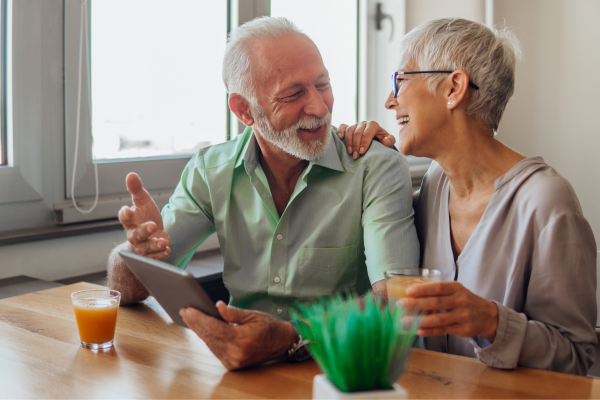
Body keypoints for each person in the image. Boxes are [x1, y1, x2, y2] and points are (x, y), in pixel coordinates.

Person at [106, 16, 418, 370]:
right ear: (244, 110)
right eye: (294, 94)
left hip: (342, 368)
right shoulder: (210, 171)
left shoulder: (374, 167)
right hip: (242, 371)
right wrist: (136, 252)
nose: (319, 107)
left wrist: (290, 339)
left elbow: (396, 299)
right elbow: (130, 291)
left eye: (323, 84)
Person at [338, 17, 597, 375]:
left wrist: (492, 321)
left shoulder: (547, 202)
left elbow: (578, 358)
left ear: (454, 88)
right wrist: (367, 155)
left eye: (400, 80)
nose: (388, 100)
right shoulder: (434, 183)